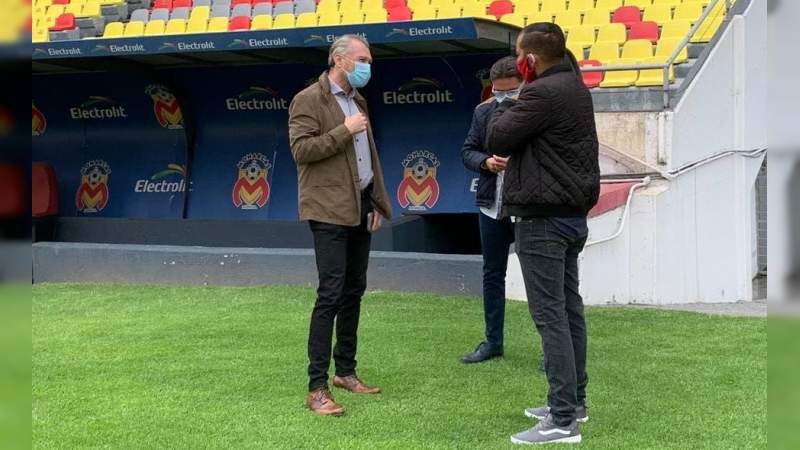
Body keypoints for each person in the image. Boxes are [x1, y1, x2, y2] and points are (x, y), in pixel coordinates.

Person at [485, 22, 600, 445]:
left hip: (543, 220)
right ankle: (573, 403)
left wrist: (508, 101)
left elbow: (499, 137)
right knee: (569, 310)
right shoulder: (575, 87)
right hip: (569, 216)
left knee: (551, 315)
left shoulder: (540, 92)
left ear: (529, 61)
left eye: (520, 57)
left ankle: (562, 420)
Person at [288, 34, 393, 417]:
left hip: (360, 205)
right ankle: (316, 387)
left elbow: (369, 157)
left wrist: (378, 200)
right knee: (330, 293)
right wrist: (343, 130)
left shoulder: (357, 99)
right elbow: (301, 151)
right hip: (327, 209)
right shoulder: (308, 99)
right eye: (363, 58)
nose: (368, 66)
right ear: (339, 59)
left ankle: (345, 372)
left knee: (354, 289)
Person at [459, 56, 521, 364]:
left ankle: (553, 350)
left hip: (527, 208)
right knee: (492, 274)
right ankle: (493, 342)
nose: (504, 98)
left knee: (540, 280)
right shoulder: (482, 112)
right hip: (490, 206)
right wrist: (486, 162)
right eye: (498, 92)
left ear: (522, 84)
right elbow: (467, 151)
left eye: (510, 91)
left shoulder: (536, 112)